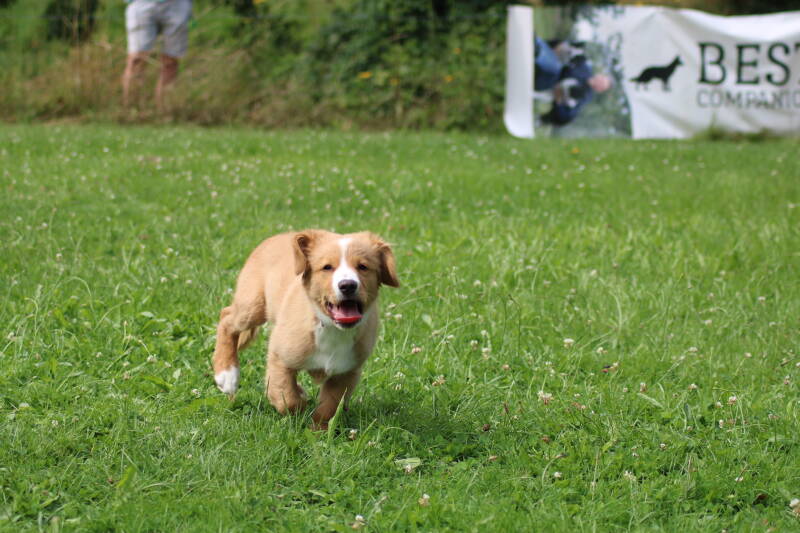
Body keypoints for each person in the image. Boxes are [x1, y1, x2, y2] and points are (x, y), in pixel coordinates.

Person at [122, 0, 193, 111]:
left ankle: (165, 111)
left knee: (171, 62)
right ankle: (131, 110)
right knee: (137, 59)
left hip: (177, 4)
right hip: (142, 4)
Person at [534, 37, 611, 126]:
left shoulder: (584, 96)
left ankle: (537, 48)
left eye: (602, 85)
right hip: (547, 65)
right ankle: (535, 44)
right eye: (602, 80)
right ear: (600, 75)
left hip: (547, 84)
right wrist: (563, 46)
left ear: (600, 90)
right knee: (562, 53)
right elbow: (565, 49)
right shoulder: (584, 66)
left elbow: (565, 117)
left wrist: (558, 102)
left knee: (556, 67)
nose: (599, 82)